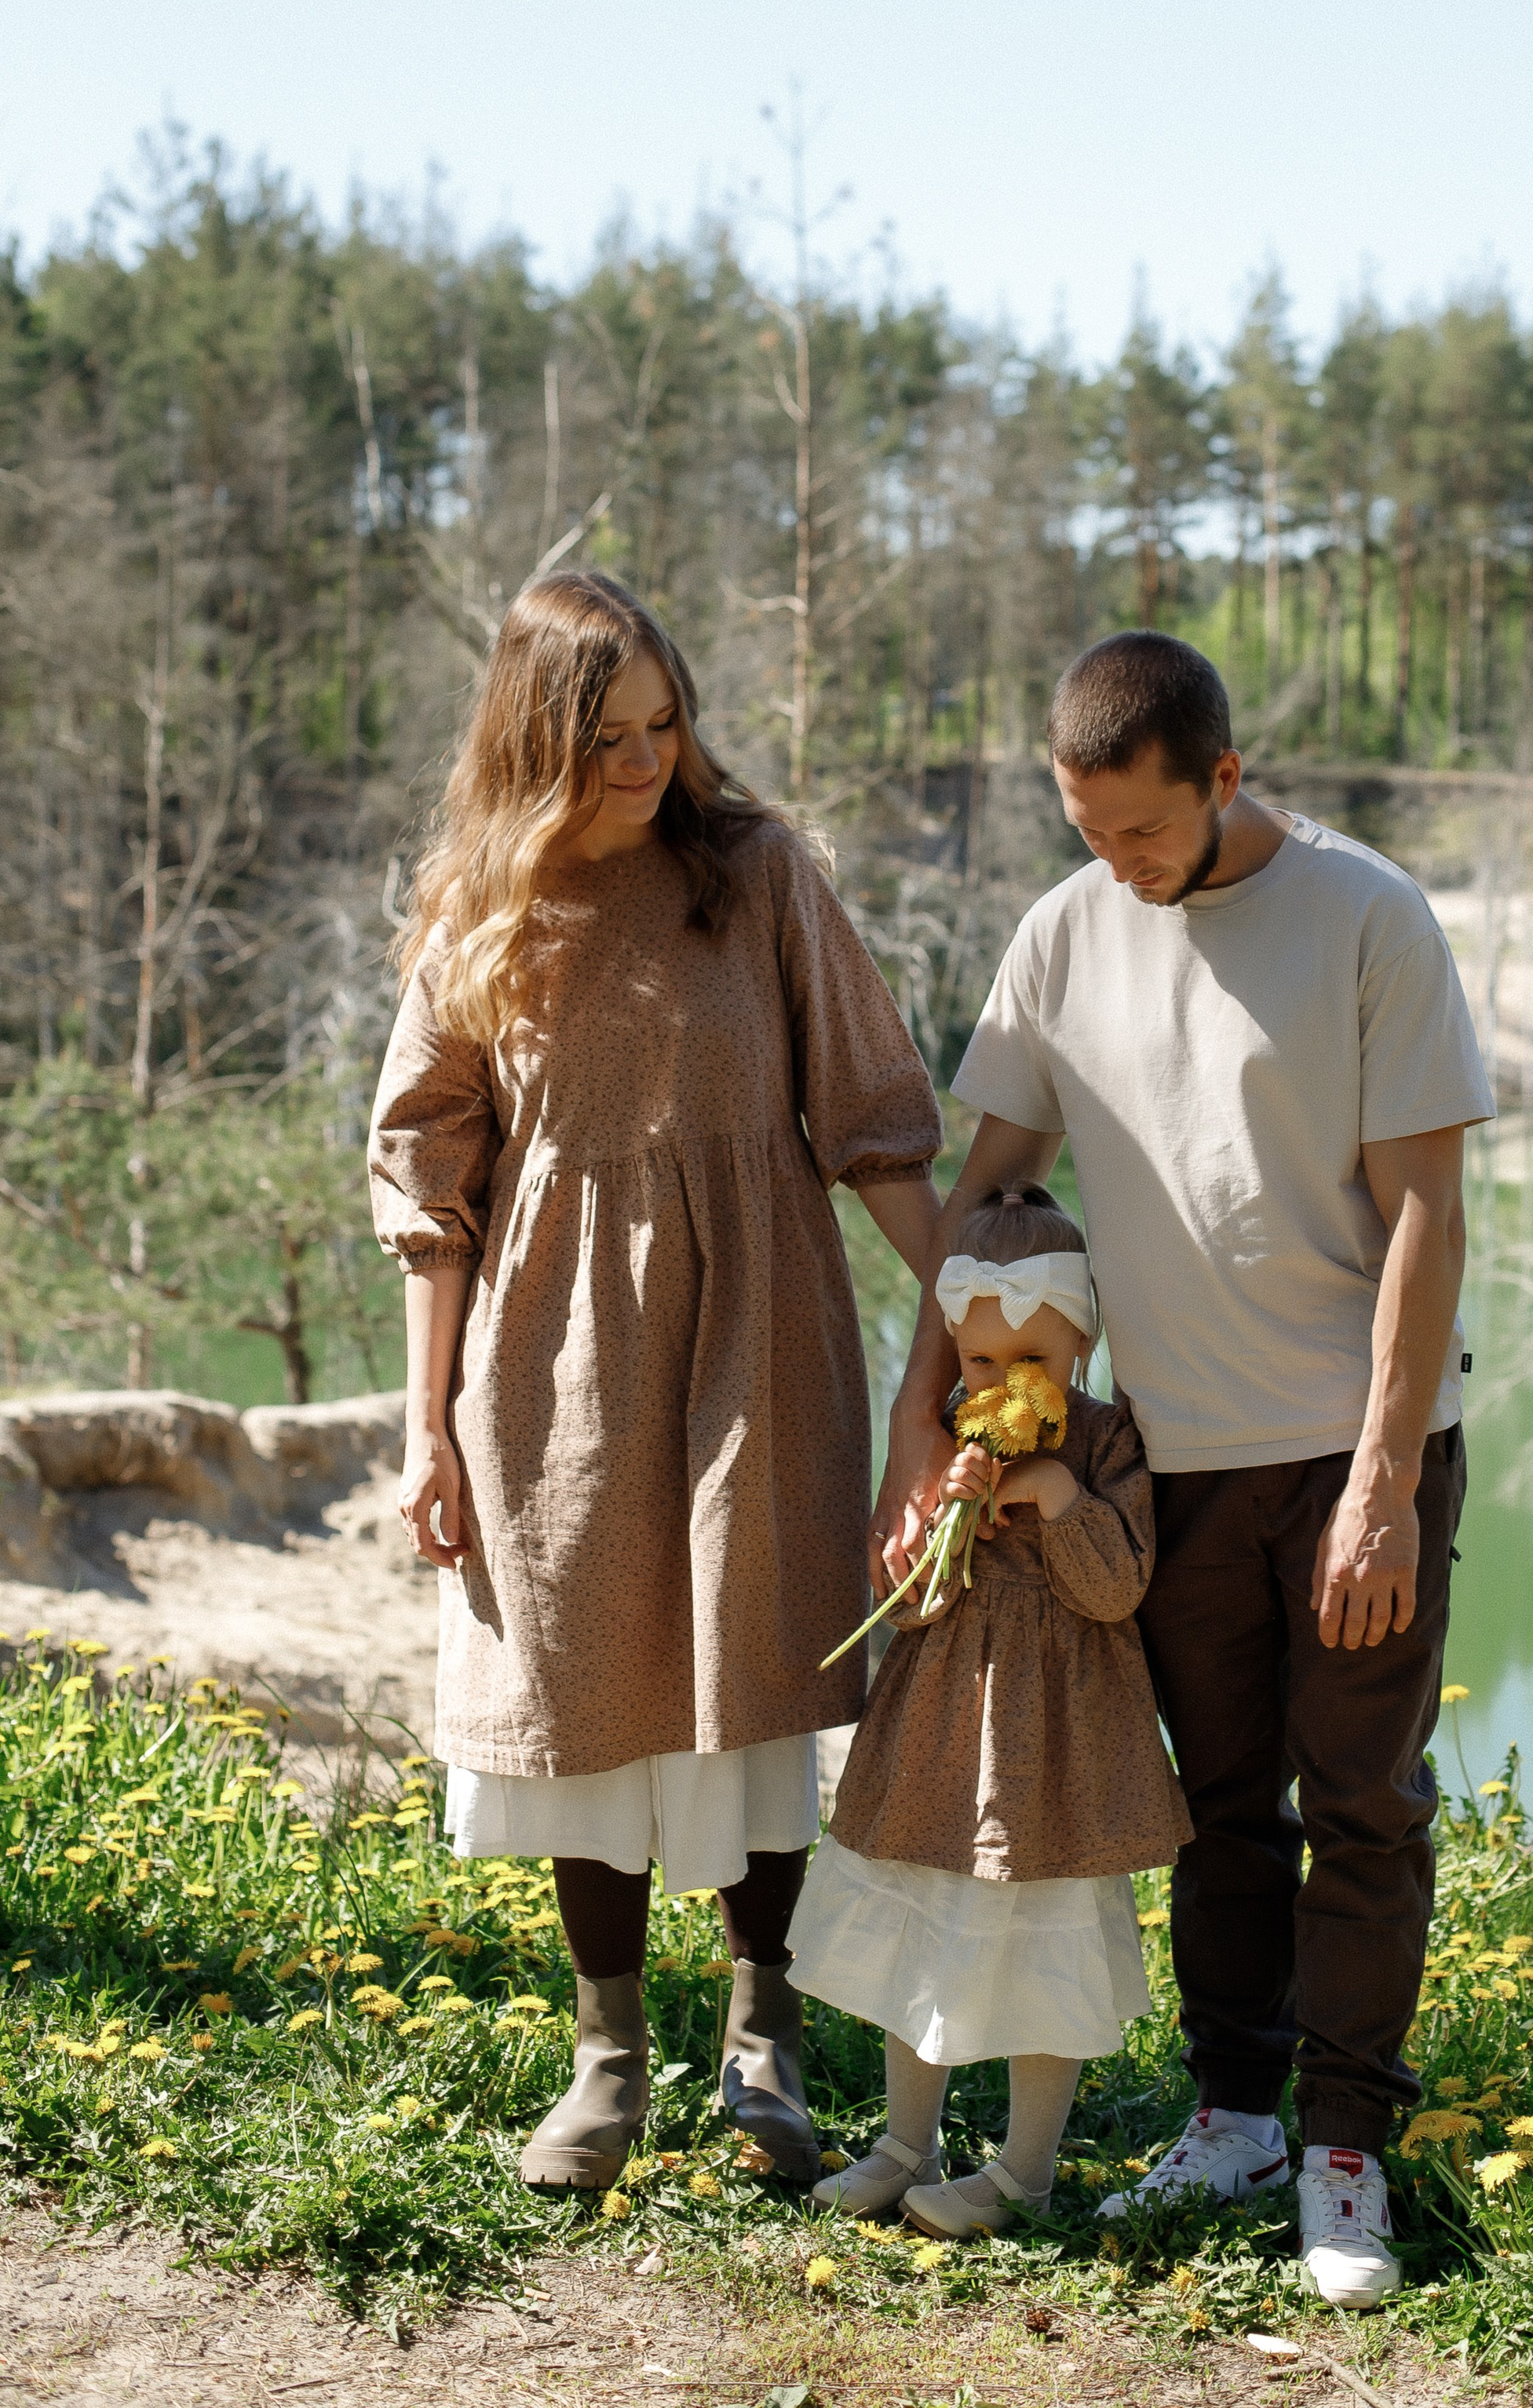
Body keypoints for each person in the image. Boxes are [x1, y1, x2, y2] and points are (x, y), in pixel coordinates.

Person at [873, 632, 1495, 2307]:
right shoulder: (1065, 934)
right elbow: (982, 1200)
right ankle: (1234, 2116)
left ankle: (1345, 2148)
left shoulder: (1367, 917)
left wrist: (1382, 1485)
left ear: (1224, 777)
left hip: (1355, 1447)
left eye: (1143, 831)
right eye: (1087, 831)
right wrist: (918, 1428)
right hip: (1175, 1463)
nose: (1118, 864)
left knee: (1361, 1806)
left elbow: (1425, 1217)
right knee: (1220, 1809)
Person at [368, 569, 941, 2194]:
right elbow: (429, 1186)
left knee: (753, 1663)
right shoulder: (484, 909)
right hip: (550, 1355)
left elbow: (874, 1118)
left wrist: (972, 1305)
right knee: (585, 1684)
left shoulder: (756, 875)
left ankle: (764, 2041)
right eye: (603, 737)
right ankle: (607, 2058)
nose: (641, 761)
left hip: (759, 1327)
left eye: (662, 725)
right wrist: (428, 1428)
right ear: (533, 740)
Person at [788, 1184, 1188, 2235]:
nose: (1008, 1385)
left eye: (1035, 1362)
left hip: (1059, 1747)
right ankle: (905, 2143)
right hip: (945, 1735)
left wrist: (1057, 1498)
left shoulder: (1108, 1445)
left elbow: (1116, 1591)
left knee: (1045, 1944)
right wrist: (947, 1520)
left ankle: (1024, 2171)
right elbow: (912, 1605)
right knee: (925, 1930)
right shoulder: (945, 1441)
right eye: (980, 1363)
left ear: (1082, 1349)